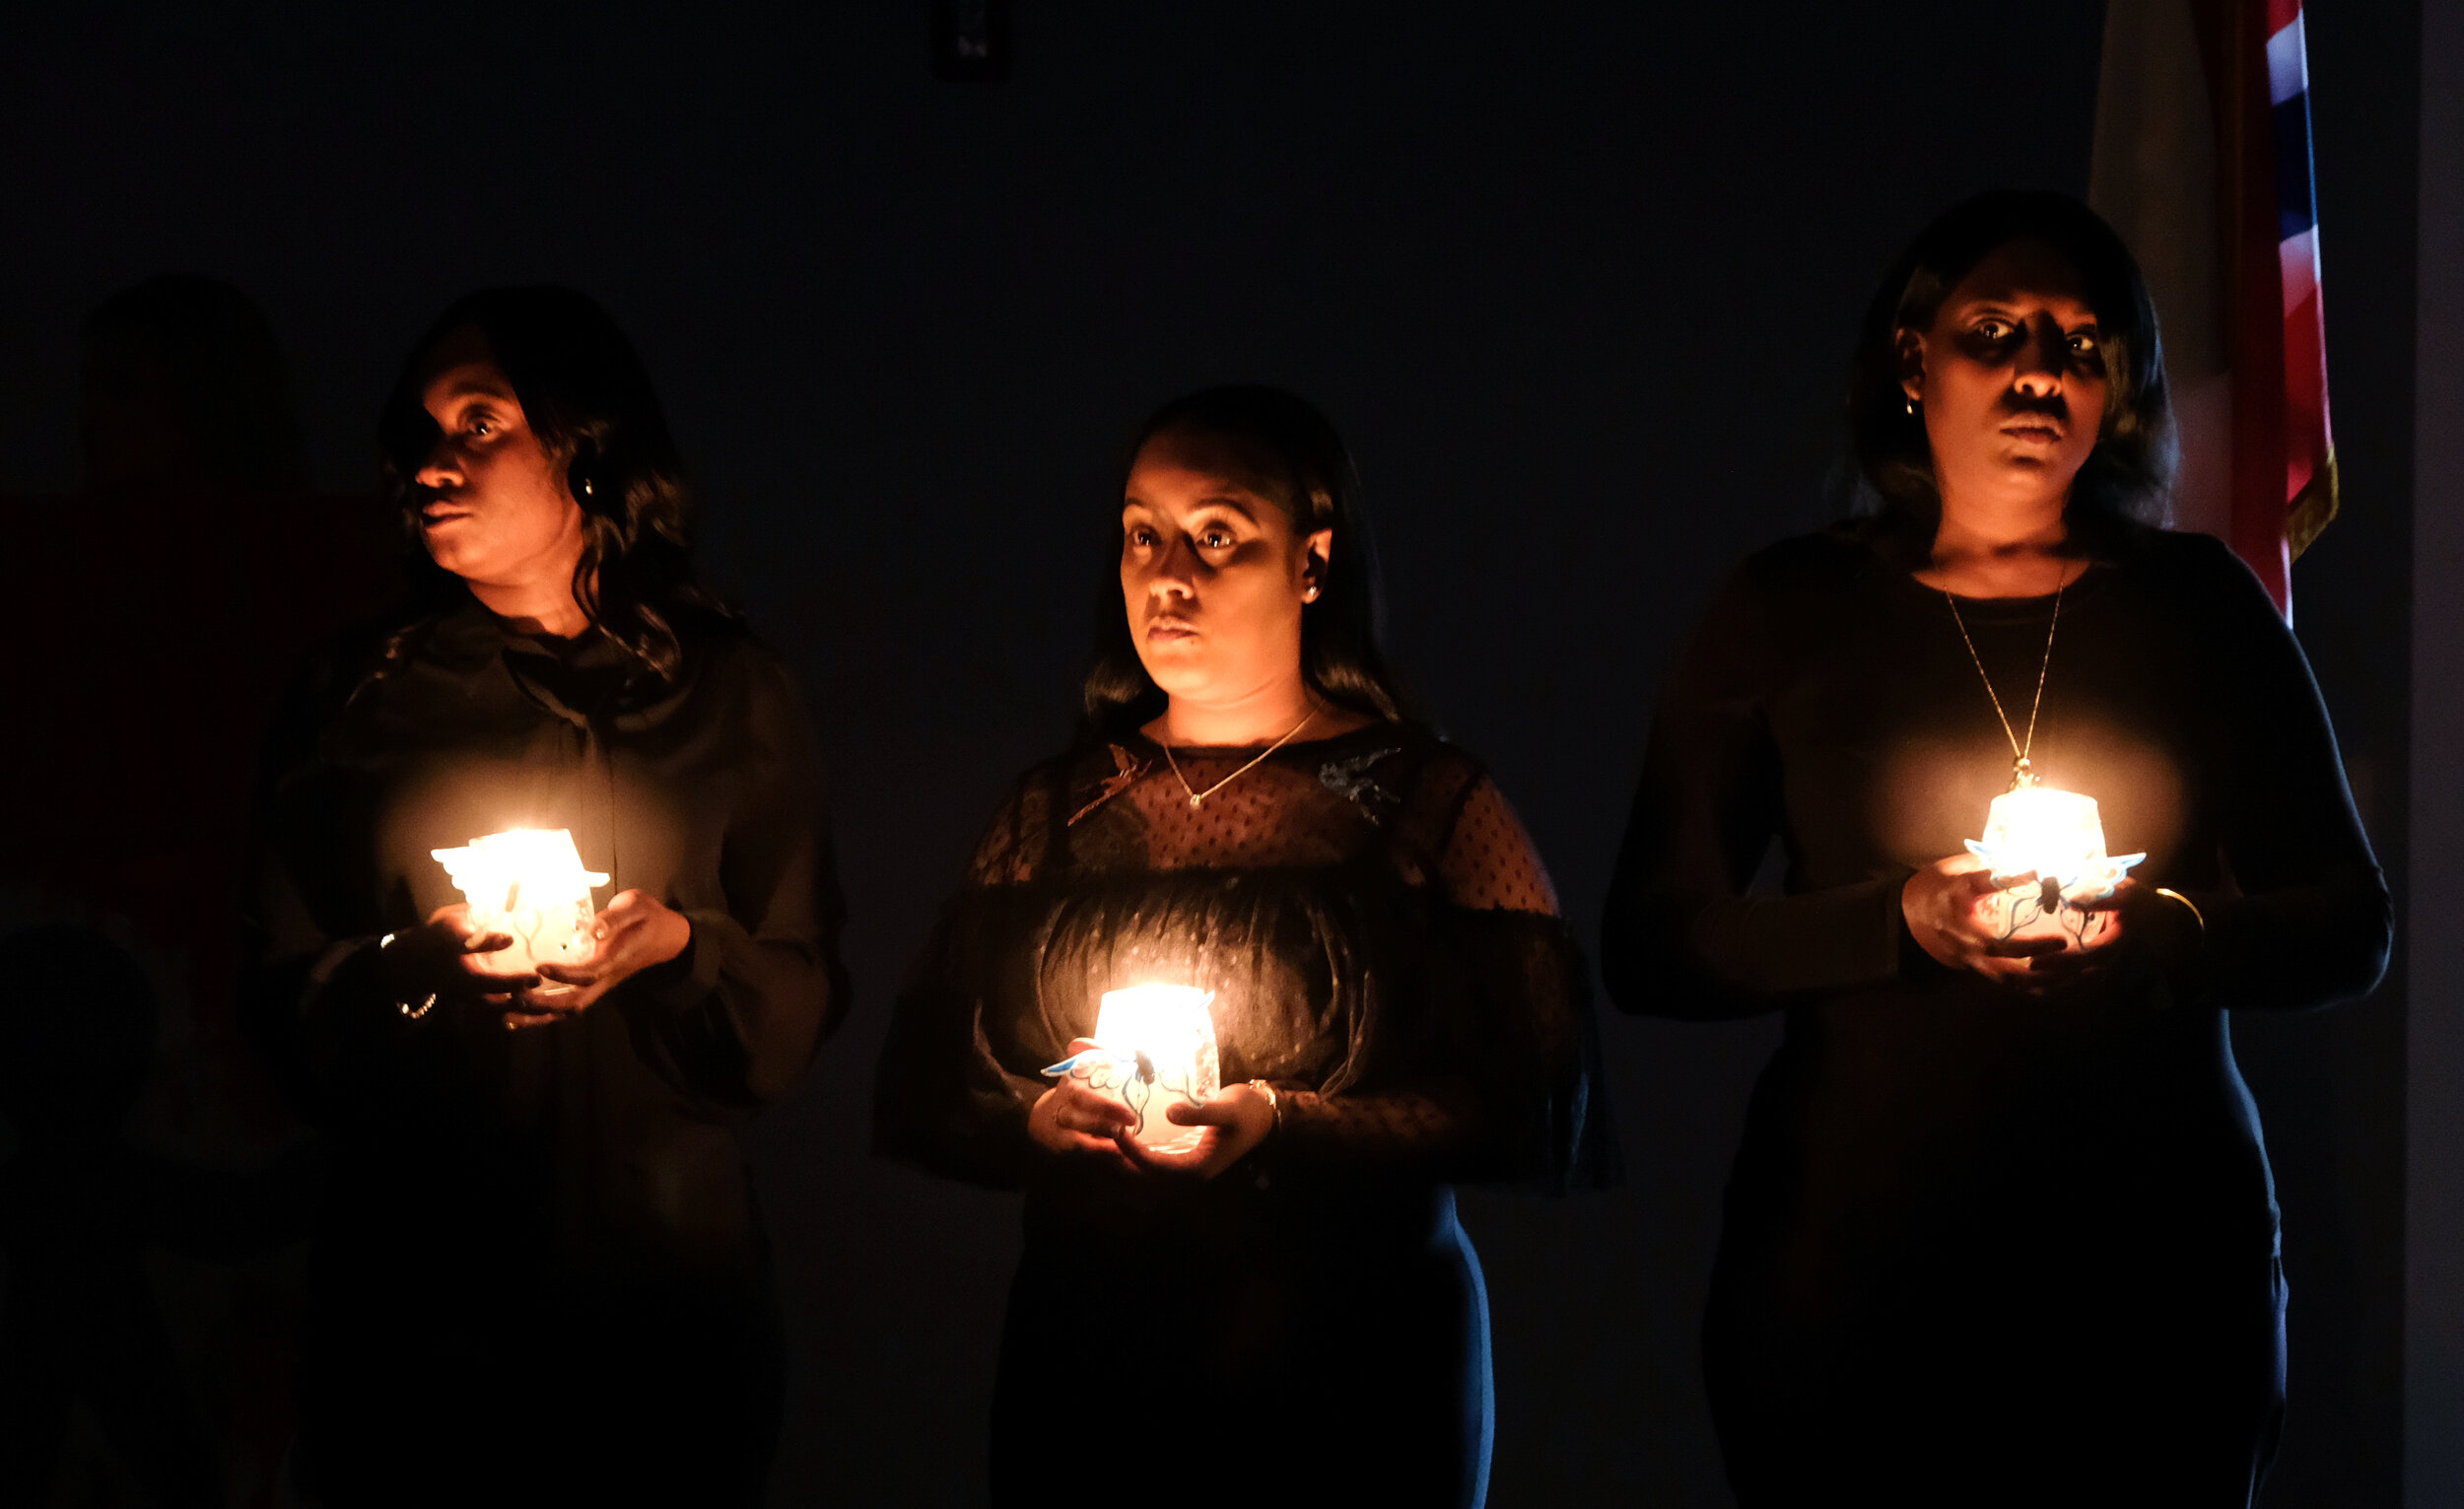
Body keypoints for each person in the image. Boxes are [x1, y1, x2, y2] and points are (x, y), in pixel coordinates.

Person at [1601, 191, 2391, 1506]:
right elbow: (1651, 938)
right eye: (1996, 330)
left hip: (2153, 1265)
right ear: (1911, 362)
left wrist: (2170, 931)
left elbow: (2350, 920)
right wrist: (1896, 918)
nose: (2042, 368)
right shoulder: (1787, 610)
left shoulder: (2198, 606)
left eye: (2083, 343)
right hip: (1855, 1261)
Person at [874, 386, 1612, 1508]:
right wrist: (1035, 1110)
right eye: (1141, 534)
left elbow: (1535, 1090)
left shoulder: (1423, 802)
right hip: (1095, 1356)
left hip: (1356, 1360)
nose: (1167, 572)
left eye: (1216, 534)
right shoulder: (1055, 809)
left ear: (1311, 562)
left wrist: (1288, 1122)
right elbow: (928, 1071)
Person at [240, 286, 847, 1507]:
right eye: (418, 432)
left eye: (478, 423)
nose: (432, 462)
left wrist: (678, 944)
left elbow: (797, 982)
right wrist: (417, 972)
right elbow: (282, 989)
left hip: (663, 1312)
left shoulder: (726, 691)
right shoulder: (362, 699)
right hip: (423, 1313)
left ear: (585, 447)